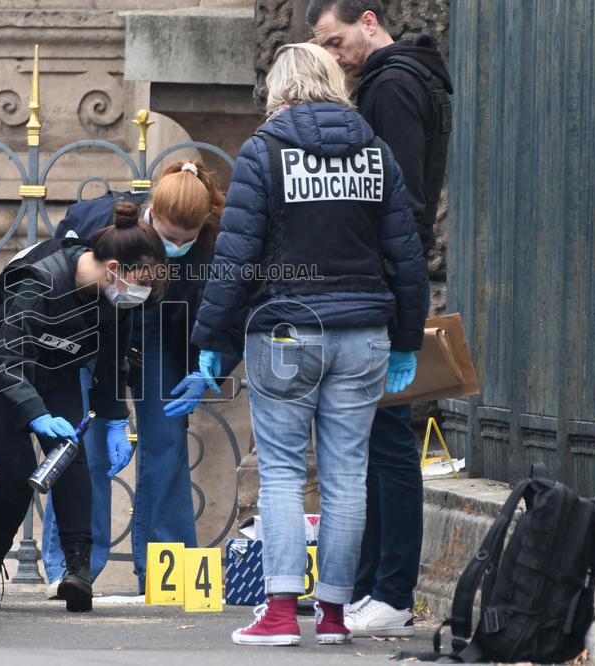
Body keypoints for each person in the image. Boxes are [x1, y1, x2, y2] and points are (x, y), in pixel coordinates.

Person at [187, 42, 427, 646]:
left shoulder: (263, 153)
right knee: (348, 476)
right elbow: (406, 257)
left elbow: (236, 257)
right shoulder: (375, 153)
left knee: (284, 473)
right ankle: (336, 614)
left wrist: (213, 338)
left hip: (287, 332)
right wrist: (404, 341)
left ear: (280, 90)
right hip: (364, 335)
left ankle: (277, 614)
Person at [309, 0, 452, 637]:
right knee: (370, 443)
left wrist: (393, 288)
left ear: (368, 20)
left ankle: (391, 590)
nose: (335, 57)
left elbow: (398, 200)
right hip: (392, 279)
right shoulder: (399, 79)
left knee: (387, 443)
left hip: (387, 284)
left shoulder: (392, 86)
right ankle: (372, 586)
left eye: (337, 42)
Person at [0, 202, 167, 613]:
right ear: (115, 268)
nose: (139, 293)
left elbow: (110, 360)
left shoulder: (114, 296)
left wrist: (114, 420)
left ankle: (77, 572)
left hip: (55, 370)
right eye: (138, 281)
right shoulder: (41, 276)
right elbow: (6, 355)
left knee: (71, 458)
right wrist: (35, 414)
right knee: (16, 473)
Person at [42, 161, 236, 595]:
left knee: (166, 441)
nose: (175, 247)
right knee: (83, 445)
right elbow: (58, 283)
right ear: (151, 212)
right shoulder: (94, 220)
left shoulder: (213, 243)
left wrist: (211, 367)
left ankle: (167, 573)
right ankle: (71, 568)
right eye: (167, 237)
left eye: (185, 241)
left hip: (163, 337)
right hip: (94, 335)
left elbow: (230, 307)